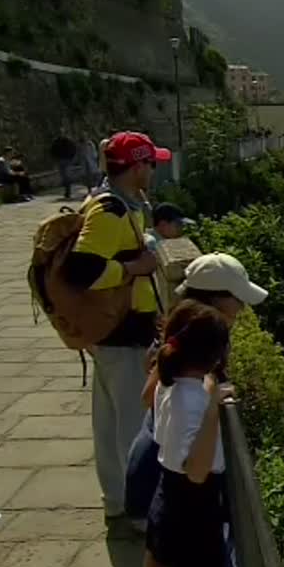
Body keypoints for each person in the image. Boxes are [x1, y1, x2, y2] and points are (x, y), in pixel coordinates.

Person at [127, 253, 268, 567]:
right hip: (171, 477)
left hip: (160, 470)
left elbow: (151, 397)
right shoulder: (191, 355)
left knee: (160, 549)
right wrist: (209, 404)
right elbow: (195, 468)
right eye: (236, 300)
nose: (241, 309)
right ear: (214, 301)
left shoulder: (180, 341)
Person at [63, 131, 171, 523]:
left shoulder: (120, 204)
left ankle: (116, 500)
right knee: (133, 429)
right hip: (122, 336)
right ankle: (140, 513)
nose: (154, 171)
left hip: (115, 332)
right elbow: (80, 270)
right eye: (151, 164)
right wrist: (133, 268)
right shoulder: (110, 211)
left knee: (109, 426)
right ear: (137, 166)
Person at [147, 299, 241, 567]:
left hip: (169, 496)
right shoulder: (194, 402)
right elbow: (197, 471)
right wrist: (212, 406)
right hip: (195, 513)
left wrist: (209, 393)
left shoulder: (168, 384)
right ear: (216, 356)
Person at [51, 134, 78, 200]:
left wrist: (71, 158)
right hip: (61, 159)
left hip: (67, 160)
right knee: (64, 176)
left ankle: (68, 191)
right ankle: (67, 190)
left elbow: (73, 149)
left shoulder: (68, 141)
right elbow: (52, 150)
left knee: (66, 175)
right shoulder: (57, 141)